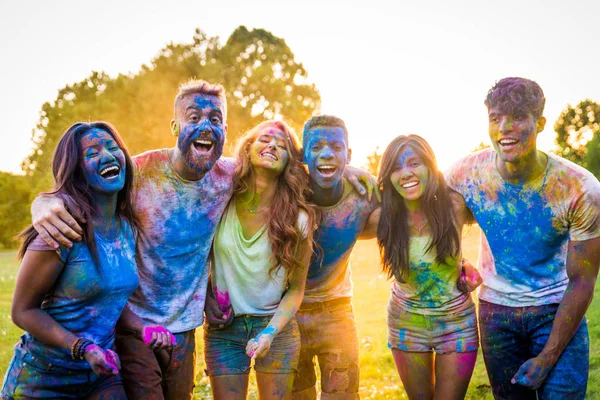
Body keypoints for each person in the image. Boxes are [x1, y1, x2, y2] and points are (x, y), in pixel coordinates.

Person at [30, 80, 376, 399]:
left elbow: (305, 166)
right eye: (193, 116)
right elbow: (92, 178)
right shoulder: (142, 171)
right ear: (175, 126)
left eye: (215, 118)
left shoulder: (228, 176)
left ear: (225, 129)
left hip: (187, 330)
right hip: (137, 324)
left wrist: (350, 169)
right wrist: (46, 200)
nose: (205, 125)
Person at [446, 77, 600, 399]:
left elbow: (583, 280)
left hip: (556, 307)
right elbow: (438, 227)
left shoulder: (579, 189)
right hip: (495, 311)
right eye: (495, 118)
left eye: (517, 117)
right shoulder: (465, 175)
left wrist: (547, 358)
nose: (504, 128)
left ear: (540, 123)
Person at [1, 122, 171, 399]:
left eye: (113, 147)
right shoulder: (61, 230)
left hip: (99, 374)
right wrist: (82, 347)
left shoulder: (127, 228)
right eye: (92, 153)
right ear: (76, 170)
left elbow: (109, 298)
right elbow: (22, 311)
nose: (107, 155)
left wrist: (143, 327)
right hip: (43, 377)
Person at [204, 120, 316, 400]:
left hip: (275, 329)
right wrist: (206, 299)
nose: (273, 145)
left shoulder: (298, 219)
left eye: (282, 145)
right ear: (248, 149)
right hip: (224, 330)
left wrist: (269, 332)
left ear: (289, 161)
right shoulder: (219, 202)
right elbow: (196, 261)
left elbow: (296, 289)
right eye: (265, 139)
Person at [376, 134, 481, 400]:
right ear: (388, 177)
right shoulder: (382, 218)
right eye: (396, 168)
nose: (406, 173)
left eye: (414, 163)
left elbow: (499, 218)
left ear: (430, 167)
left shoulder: (455, 206)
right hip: (406, 322)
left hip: (456, 322)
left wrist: (471, 265)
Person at [291, 115, 379, 400]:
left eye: (336, 147)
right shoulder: (287, 193)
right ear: (303, 154)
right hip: (285, 313)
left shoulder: (364, 196)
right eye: (316, 147)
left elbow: (408, 207)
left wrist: (358, 172)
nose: (326, 154)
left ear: (348, 153)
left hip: (337, 311)